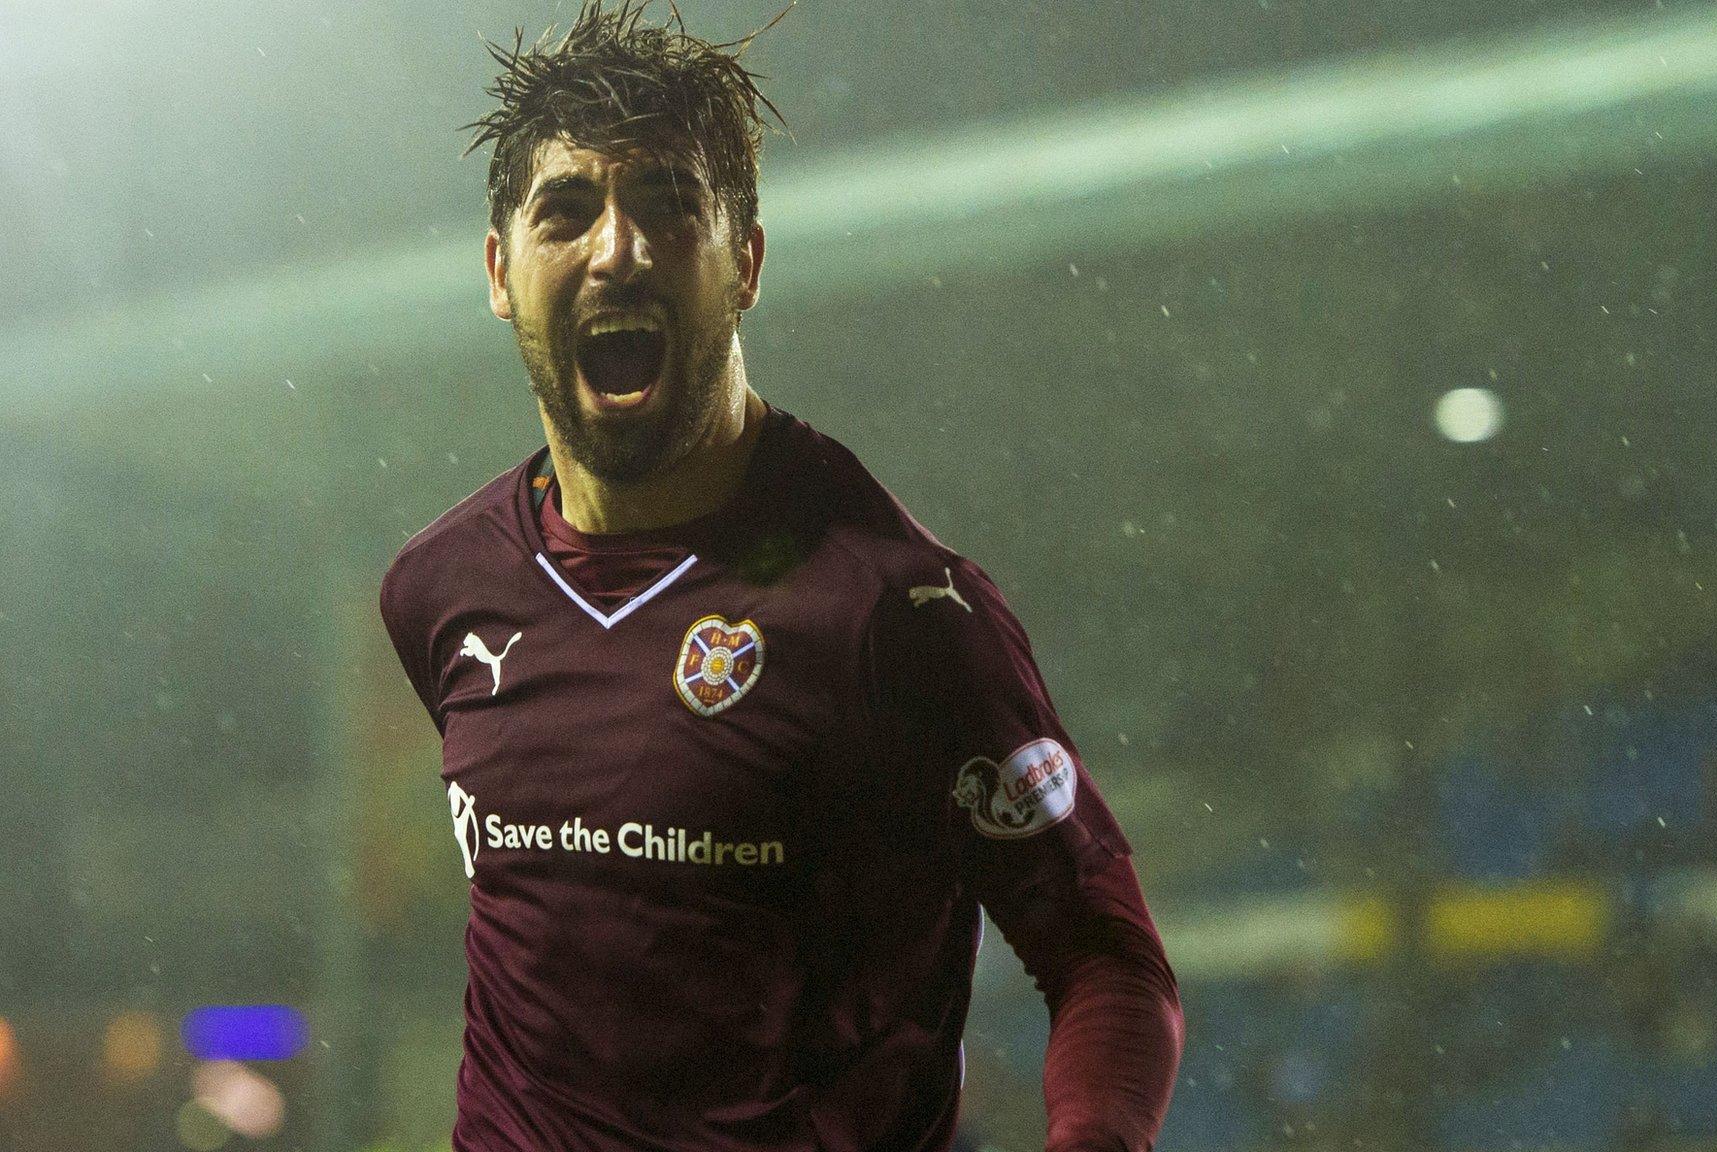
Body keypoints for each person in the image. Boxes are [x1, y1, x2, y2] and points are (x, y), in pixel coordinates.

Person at [376, 3, 1185, 1149]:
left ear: (743, 263)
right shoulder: (438, 589)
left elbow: (1104, 961)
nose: (616, 249)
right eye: (567, 211)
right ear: (501, 273)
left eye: (668, 204)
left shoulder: (895, 611)